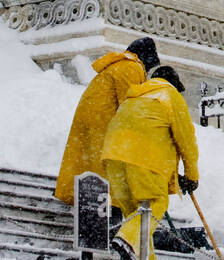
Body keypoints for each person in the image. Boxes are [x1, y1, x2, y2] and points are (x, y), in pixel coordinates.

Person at [101, 63, 199, 260]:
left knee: (138, 214)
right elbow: (187, 142)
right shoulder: (170, 96)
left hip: (113, 156)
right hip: (143, 156)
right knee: (156, 202)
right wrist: (192, 176)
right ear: (174, 83)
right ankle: (127, 240)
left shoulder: (135, 96)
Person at [53, 37, 159, 204]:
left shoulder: (119, 64)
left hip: (92, 116)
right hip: (104, 119)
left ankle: (80, 195)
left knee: (87, 160)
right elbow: (129, 104)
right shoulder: (131, 67)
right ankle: (109, 204)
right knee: (109, 164)